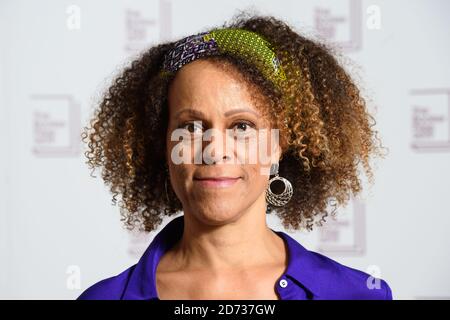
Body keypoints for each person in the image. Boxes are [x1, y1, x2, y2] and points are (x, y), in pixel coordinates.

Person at [77, 13, 392, 300]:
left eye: (242, 126)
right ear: (164, 145)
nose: (214, 151)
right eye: (190, 126)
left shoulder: (355, 294)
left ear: (278, 144)